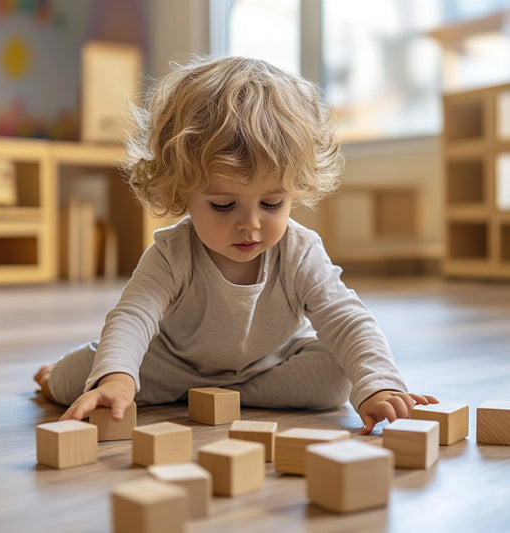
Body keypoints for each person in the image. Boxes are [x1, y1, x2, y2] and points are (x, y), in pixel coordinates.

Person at [34, 56, 437, 434]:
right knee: (78, 379)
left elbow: (346, 318)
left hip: (265, 366)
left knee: (337, 378)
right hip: (170, 363)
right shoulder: (172, 253)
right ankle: (64, 376)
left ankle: (219, 397)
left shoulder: (300, 250)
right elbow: (133, 316)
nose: (250, 223)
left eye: (271, 203)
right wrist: (118, 377)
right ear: (182, 190)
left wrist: (380, 385)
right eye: (224, 205)